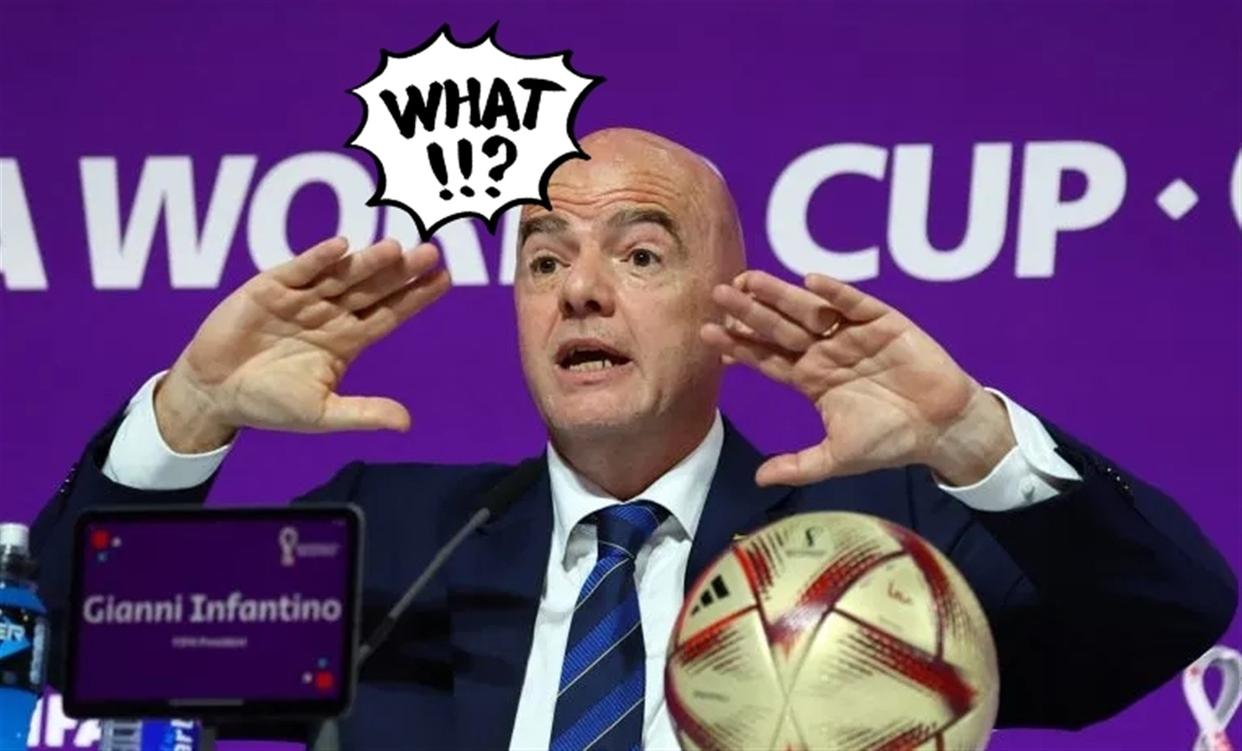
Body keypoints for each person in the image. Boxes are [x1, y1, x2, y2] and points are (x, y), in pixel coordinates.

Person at [30, 128, 1236, 750]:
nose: (579, 290)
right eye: (543, 259)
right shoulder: (393, 538)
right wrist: (188, 413)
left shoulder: (882, 547)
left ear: (726, 308)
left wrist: (972, 434)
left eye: (640, 253)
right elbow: (74, 643)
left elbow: (1161, 618)